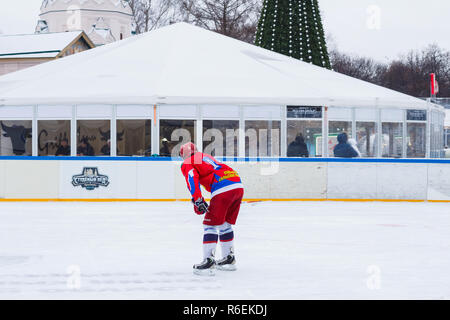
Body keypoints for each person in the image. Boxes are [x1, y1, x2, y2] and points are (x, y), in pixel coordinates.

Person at [180, 142, 244, 275]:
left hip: (222, 188)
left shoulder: (188, 162)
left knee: (210, 225)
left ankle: (208, 261)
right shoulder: (206, 157)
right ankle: (228, 258)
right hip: (237, 184)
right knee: (225, 224)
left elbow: (192, 178)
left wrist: (197, 199)